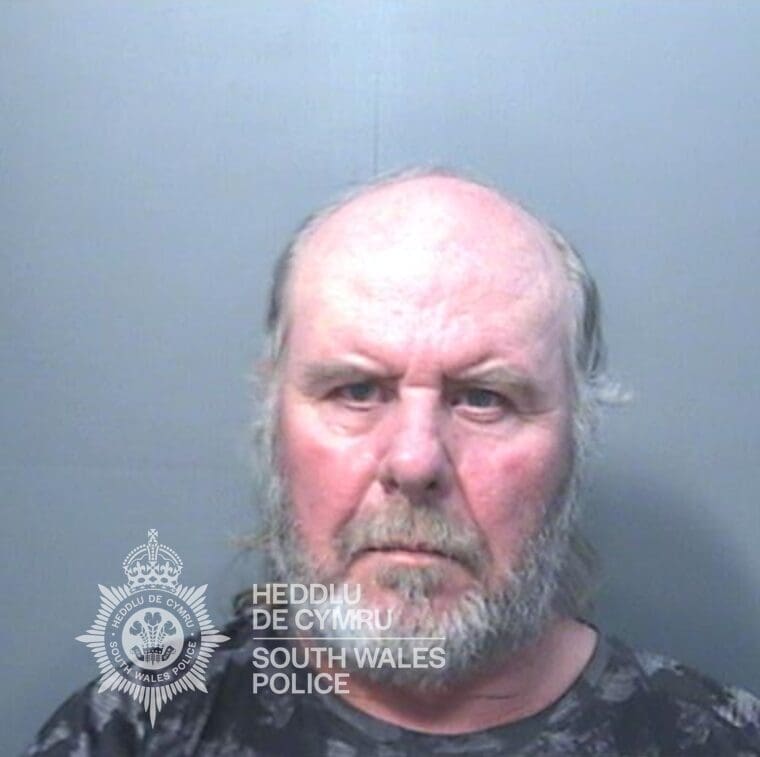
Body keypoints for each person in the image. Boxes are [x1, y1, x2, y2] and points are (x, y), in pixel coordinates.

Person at [28, 170, 760, 755]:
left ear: (578, 437)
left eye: (484, 398)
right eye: (356, 391)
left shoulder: (716, 739)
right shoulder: (132, 731)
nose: (414, 462)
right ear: (272, 426)